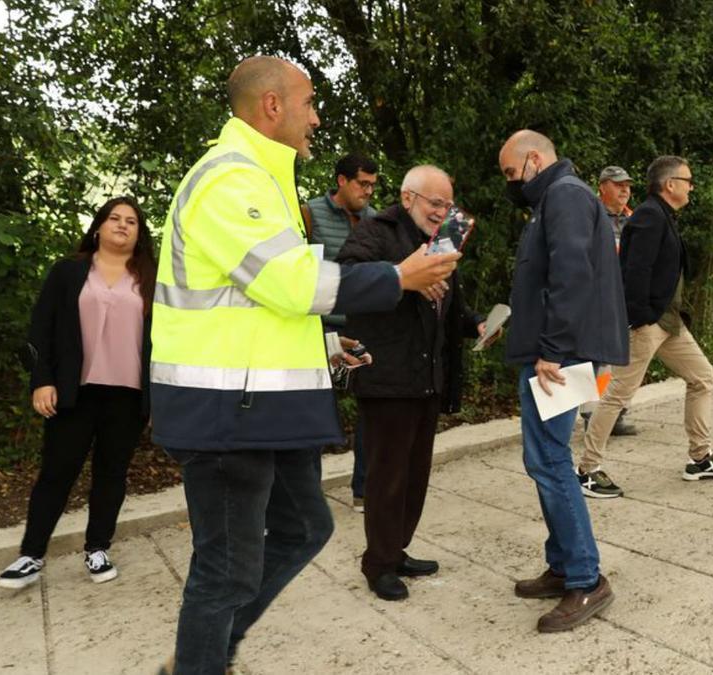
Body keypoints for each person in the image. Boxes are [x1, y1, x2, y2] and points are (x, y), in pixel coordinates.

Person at [151, 56, 458, 673]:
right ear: (272, 106)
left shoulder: (262, 182)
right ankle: (199, 663)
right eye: (309, 102)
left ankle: (207, 652)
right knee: (226, 568)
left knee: (305, 528)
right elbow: (291, 283)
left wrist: (324, 347)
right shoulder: (227, 180)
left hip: (263, 405)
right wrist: (398, 277)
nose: (316, 117)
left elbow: (256, 300)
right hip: (225, 412)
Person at [498, 129, 628, 632]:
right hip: (560, 353)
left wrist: (552, 348)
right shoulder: (557, 197)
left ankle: (586, 580)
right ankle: (563, 565)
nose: (511, 183)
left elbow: (572, 275)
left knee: (550, 460)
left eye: (512, 173)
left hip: (562, 357)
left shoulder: (565, 196)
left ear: (534, 159)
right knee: (545, 459)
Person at [336, 165, 484, 602]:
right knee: (386, 476)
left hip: (426, 378)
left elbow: (449, 303)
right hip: (387, 376)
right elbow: (346, 280)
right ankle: (377, 564)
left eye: (448, 204)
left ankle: (395, 550)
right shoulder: (375, 232)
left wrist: (475, 324)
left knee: (415, 473)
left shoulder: (440, 242)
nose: (442, 212)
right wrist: (403, 277)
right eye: (434, 203)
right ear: (407, 199)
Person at [0, 197, 155, 590]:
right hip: (74, 391)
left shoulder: (153, 278)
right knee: (56, 472)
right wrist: (41, 380)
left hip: (129, 395)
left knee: (111, 474)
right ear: (98, 226)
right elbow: (40, 330)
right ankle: (31, 555)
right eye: (114, 218)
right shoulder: (68, 271)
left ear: (140, 232)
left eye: (131, 221)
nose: (122, 225)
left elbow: (169, 340)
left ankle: (98, 548)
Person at [578, 155, 713, 499]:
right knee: (618, 394)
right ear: (670, 185)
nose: (691, 186)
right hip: (650, 322)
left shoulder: (661, 215)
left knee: (702, 376)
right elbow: (634, 273)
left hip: (669, 323)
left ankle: (701, 458)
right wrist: (641, 318)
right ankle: (587, 470)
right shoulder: (650, 217)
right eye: (687, 180)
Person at [303, 153, 380, 513]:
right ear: (341, 181)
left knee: (372, 411)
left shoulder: (374, 220)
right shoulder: (311, 213)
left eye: (372, 185)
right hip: (321, 328)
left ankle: (364, 490)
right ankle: (307, 496)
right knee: (316, 414)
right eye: (362, 183)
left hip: (361, 326)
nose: (367, 191)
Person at [579, 165, 638, 438]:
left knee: (620, 359)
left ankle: (615, 413)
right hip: (594, 299)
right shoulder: (590, 216)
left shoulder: (632, 220)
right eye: (618, 184)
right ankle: (592, 415)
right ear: (602, 187)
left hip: (623, 300)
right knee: (593, 359)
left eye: (627, 185)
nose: (625, 189)